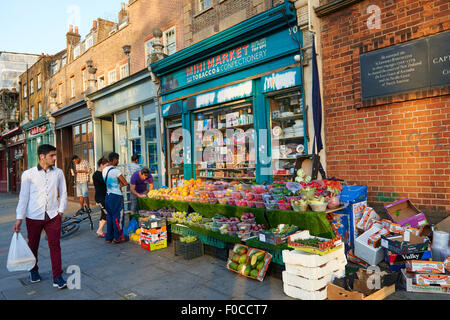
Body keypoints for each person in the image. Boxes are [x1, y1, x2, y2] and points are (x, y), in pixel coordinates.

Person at [13, 144, 68, 289]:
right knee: (33, 245)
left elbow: (63, 193)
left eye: (55, 155)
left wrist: (60, 211)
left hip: (53, 215)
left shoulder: (58, 173)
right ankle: (33, 270)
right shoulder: (28, 174)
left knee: (55, 245)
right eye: (52, 155)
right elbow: (23, 197)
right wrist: (19, 218)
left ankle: (57, 276)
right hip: (33, 216)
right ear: (42, 156)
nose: (55, 158)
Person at [103, 152, 129, 244]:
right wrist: (119, 186)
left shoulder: (104, 170)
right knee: (118, 217)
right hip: (116, 196)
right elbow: (125, 182)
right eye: (117, 159)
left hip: (108, 196)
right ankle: (118, 237)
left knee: (110, 217)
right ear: (114, 159)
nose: (118, 161)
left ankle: (109, 237)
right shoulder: (116, 171)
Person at [92, 157, 109, 238]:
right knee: (106, 213)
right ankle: (99, 230)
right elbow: (104, 182)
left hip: (104, 196)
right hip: (100, 197)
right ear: (101, 165)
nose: (107, 167)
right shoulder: (97, 174)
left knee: (103, 214)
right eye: (106, 165)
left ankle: (100, 231)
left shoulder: (104, 173)